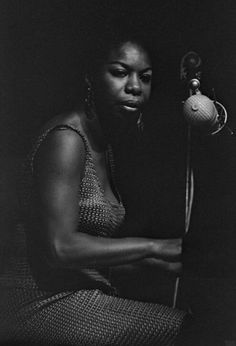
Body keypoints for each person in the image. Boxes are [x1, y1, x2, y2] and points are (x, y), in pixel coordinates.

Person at [0, 31, 189, 345]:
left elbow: (94, 251)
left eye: (145, 77)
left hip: (78, 295)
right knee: (187, 329)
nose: (134, 87)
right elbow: (60, 248)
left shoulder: (104, 147)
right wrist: (153, 247)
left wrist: (172, 263)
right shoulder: (67, 139)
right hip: (36, 303)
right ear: (90, 77)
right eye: (119, 73)